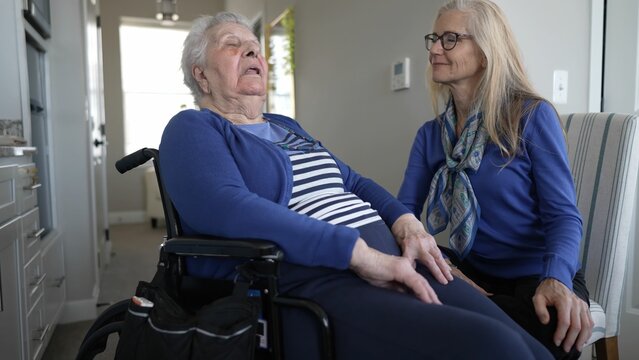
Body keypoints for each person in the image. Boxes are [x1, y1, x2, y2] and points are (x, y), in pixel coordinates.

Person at [159, 11, 552, 359]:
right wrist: (358, 254)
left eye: (255, 47)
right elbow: (228, 207)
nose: (252, 53)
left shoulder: (286, 127)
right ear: (201, 74)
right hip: (315, 277)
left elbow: (353, 181)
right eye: (233, 45)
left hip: (394, 257)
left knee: (526, 344)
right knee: (494, 348)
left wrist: (405, 222)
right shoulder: (193, 128)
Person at [397, 1, 593, 359]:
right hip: (474, 273)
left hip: (540, 274)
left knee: (549, 327)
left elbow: (563, 216)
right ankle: (478, 315)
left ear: (486, 52)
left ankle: (477, 317)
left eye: (451, 38)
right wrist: (451, 270)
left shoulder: (531, 116)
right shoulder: (430, 136)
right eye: (435, 38)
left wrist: (556, 279)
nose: (435, 49)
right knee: (411, 263)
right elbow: (403, 214)